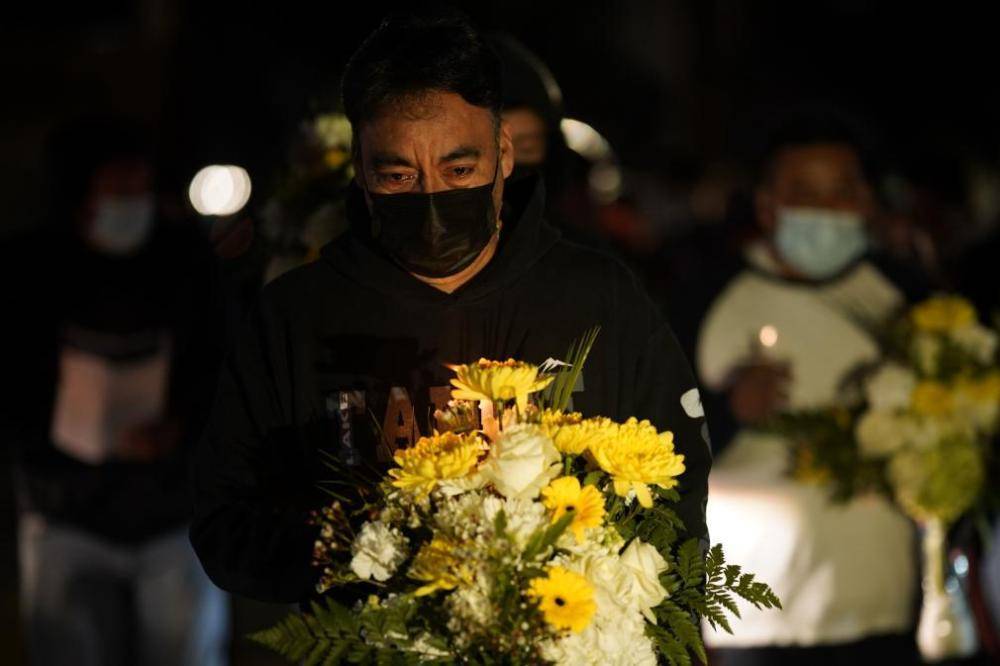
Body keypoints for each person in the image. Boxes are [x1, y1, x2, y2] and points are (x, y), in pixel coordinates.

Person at [189, 10, 711, 606]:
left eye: (460, 169)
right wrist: (364, 552)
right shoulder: (295, 318)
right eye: (398, 176)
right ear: (359, 169)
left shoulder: (599, 300)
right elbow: (224, 520)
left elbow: (678, 490)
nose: (432, 199)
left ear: (504, 153)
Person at [696, 112, 925, 664]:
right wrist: (727, 411)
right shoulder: (708, 294)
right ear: (768, 204)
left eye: (841, 192)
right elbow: (653, 436)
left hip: (882, 604)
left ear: (868, 202)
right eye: (804, 192)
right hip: (753, 616)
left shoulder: (902, 297)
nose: (824, 209)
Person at [1, 118, 229, 666]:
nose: (132, 203)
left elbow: (218, 365)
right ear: (81, 194)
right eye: (117, 190)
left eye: (139, 189)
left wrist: (179, 432)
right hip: (63, 513)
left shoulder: (186, 262)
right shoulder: (29, 269)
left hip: (171, 514)